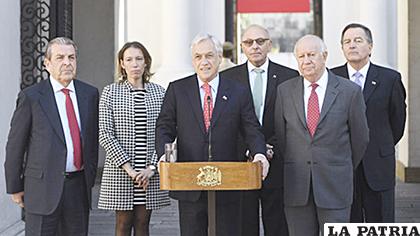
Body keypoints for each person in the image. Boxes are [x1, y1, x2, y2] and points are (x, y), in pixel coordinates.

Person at [155, 33, 269, 236]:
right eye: (198, 57)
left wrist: (259, 154)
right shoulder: (178, 89)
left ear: (219, 58)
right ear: (192, 60)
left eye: (209, 55)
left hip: (228, 183)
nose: (204, 62)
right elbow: (164, 127)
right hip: (190, 183)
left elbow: (251, 128)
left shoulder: (238, 91)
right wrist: (165, 155)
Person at [274, 35, 369, 236]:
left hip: (335, 185)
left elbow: (360, 138)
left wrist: (339, 165)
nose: (306, 61)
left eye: (311, 55)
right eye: (301, 56)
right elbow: (281, 137)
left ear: (324, 56)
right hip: (297, 186)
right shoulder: (284, 91)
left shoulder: (349, 91)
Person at [4, 37, 99, 235]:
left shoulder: (89, 94)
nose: (67, 62)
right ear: (47, 64)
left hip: (78, 188)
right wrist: (14, 186)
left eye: (71, 57)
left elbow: (90, 141)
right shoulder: (32, 97)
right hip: (42, 189)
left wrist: (88, 180)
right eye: (60, 57)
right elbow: (15, 145)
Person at [222, 24, 298, 236]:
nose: (254, 46)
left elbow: (292, 119)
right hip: (241, 161)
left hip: (278, 159)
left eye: (260, 41)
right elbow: (226, 121)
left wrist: (268, 148)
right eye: (248, 42)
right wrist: (251, 149)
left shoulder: (289, 76)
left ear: (269, 45)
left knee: (277, 224)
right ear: (242, 47)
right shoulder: (227, 78)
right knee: (244, 223)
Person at [331, 23, 407, 223]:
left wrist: (381, 143)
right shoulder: (331, 78)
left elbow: (397, 121)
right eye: (347, 42)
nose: (352, 45)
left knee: (380, 222)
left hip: (379, 164)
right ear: (342, 48)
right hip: (343, 165)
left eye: (358, 40)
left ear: (370, 47)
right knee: (347, 223)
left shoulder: (390, 78)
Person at [97, 41, 170, 235]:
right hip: (121, 171)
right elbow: (105, 134)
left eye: (139, 59)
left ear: (146, 62)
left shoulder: (160, 93)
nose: (134, 64)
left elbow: (165, 133)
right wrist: (129, 169)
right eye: (129, 59)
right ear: (122, 64)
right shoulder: (110, 93)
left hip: (149, 173)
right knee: (122, 224)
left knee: (143, 223)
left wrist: (151, 168)